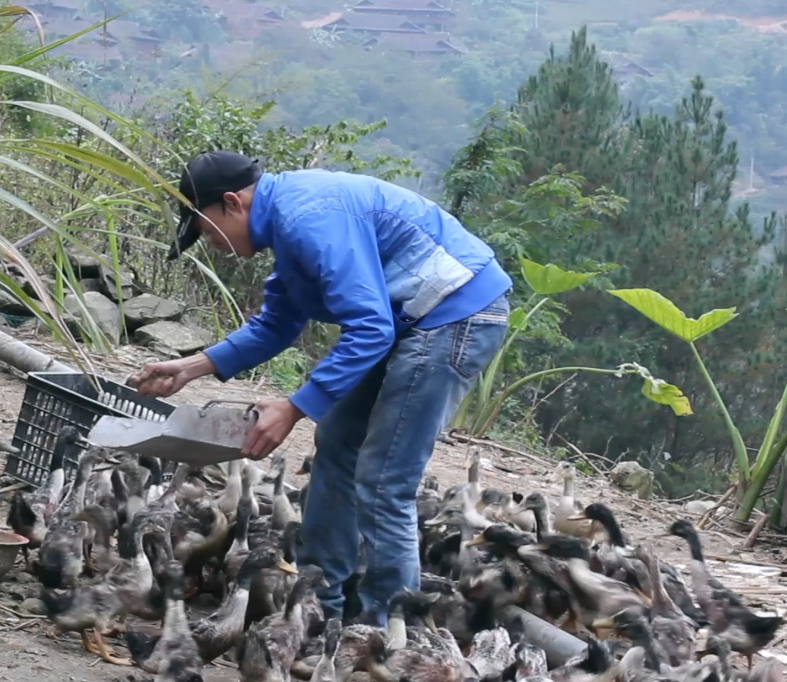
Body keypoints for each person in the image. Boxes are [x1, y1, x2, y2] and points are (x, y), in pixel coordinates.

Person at [127, 150, 512, 625]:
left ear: (232, 202)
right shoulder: (288, 225)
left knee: (385, 478)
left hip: (454, 315)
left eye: (205, 229)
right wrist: (194, 366)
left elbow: (370, 328)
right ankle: (318, 606)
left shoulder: (307, 217)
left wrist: (294, 407)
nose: (210, 242)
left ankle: (387, 633)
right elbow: (277, 323)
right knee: (337, 445)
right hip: (408, 320)